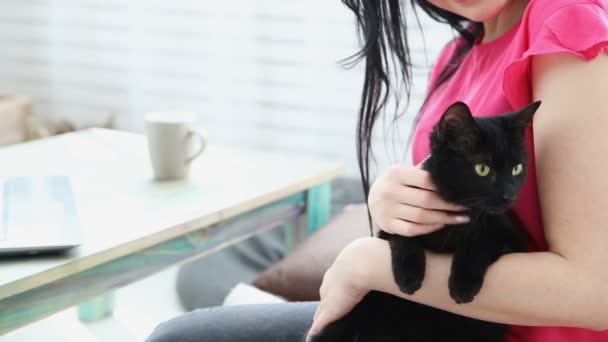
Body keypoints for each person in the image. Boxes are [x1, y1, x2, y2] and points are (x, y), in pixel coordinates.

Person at [146, 0, 608, 341]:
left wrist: (368, 263)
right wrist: (391, 205)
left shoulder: (566, 25)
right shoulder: (459, 55)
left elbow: (596, 293)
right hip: (435, 317)